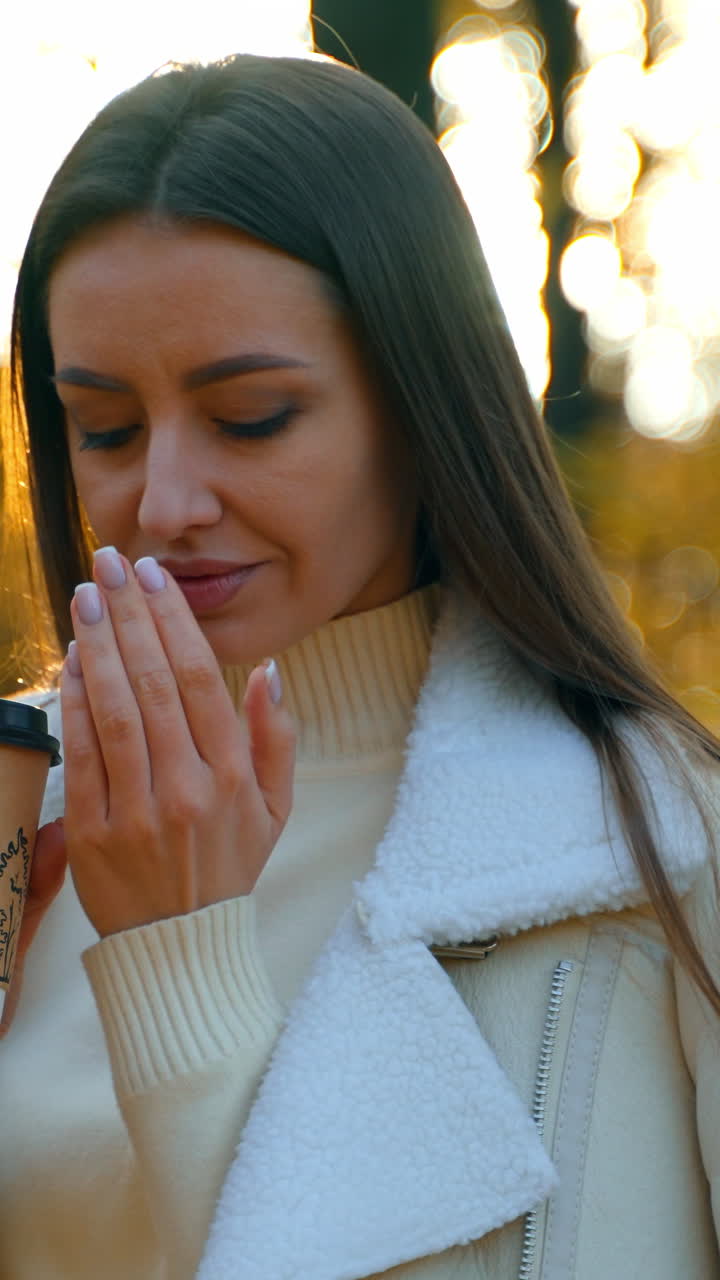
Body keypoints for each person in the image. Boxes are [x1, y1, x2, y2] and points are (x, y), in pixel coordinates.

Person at [1, 50, 719, 1280]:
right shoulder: (26, 811)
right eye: (104, 427)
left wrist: (179, 950)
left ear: (422, 401)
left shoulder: (651, 846)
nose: (161, 500)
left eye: (252, 416)